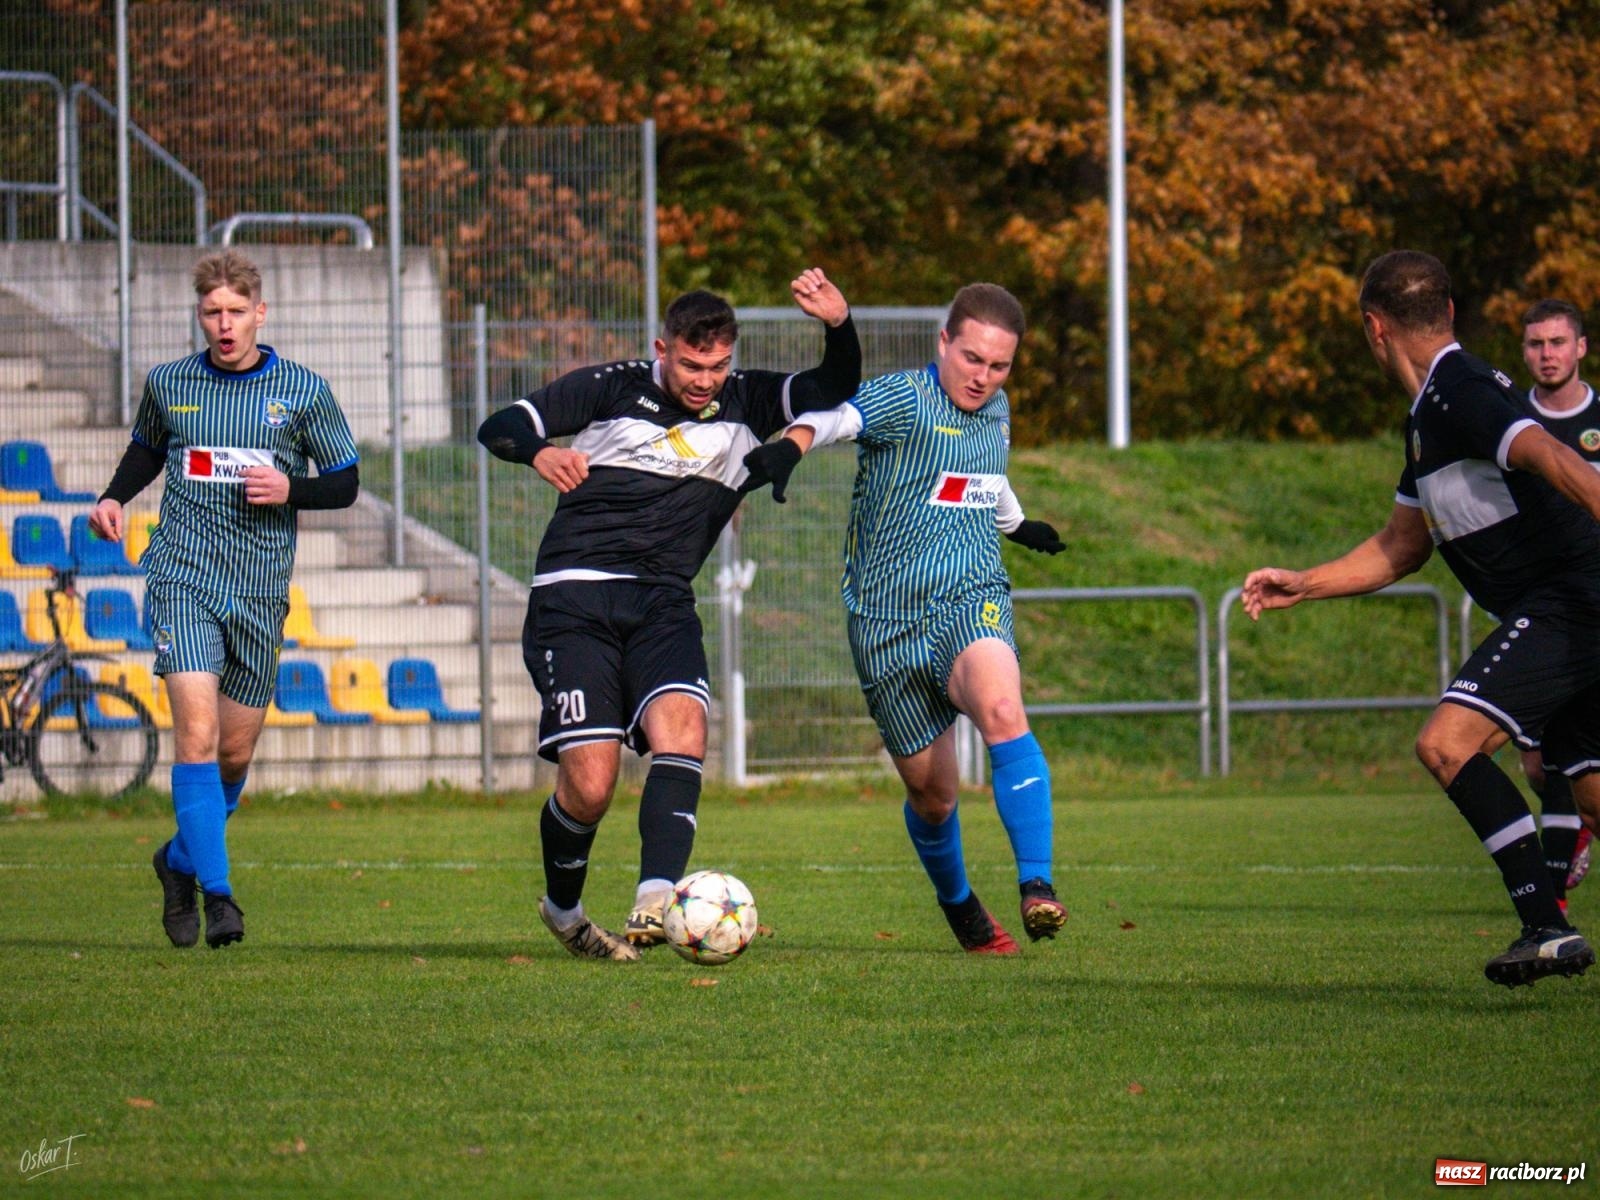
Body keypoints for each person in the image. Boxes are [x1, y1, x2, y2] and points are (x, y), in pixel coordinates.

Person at [477, 268, 860, 962]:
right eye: (690, 363)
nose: (705, 379)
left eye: (717, 366)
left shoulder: (746, 399)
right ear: (663, 348)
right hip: (577, 595)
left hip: (664, 600)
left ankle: (657, 901)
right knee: (590, 786)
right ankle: (563, 910)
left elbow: (833, 390)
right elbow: (498, 426)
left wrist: (838, 325)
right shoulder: (609, 387)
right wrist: (540, 452)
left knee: (684, 729)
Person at [1241, 250, 1600, 987]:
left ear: (1375, 328)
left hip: (1573, 603)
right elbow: (1400, 548)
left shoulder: (1460, 390)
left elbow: (1541, 449)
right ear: (1449, 312)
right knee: (1592, 789)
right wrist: (1303, 583)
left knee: (1447, 742)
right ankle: (1546, 926)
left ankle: (1544, 925)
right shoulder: (1428, 421)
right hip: (1568, 608)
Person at [745, 282, 1068, 955]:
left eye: (999, 366)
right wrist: (790, 447)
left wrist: (1017, 524)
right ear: (943, 342)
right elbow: (835, 418)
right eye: (972, 358)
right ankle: (958, 904)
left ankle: (1037, 885)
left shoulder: (997, 411)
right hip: (885, 624)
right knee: (935, 797)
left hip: (970, 599)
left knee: (1004, 709)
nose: (983, 377)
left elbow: (984, 474)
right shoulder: (906, 398)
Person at [89, 249, 360, 950]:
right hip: (183, 577)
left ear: (259, 313)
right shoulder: (170, 383)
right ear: (199, 314)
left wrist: (290, 489)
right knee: (198, 738)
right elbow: (148, 448)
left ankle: (176, 861)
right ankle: (219, 895)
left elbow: (345, 481)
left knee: (233, 758)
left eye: (236, 311)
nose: (224, 323)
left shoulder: (301, 390)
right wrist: (115, 496)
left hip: (261, 590)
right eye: (211, 311)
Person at [1516, 299, 1594, 907]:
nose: (1547, 354)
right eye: (1537, 344)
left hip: (1593, 610)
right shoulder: (1513, 423)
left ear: (1581, 348)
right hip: (1543, 607)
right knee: (1542, 768)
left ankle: (1552, 904)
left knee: (1575, 760)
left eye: (1558, 342)